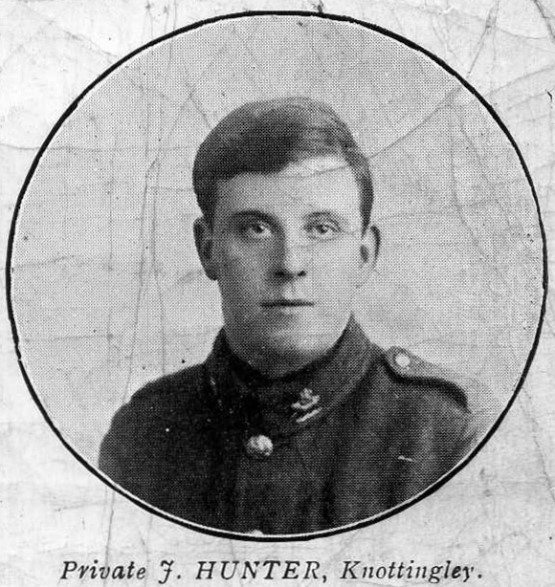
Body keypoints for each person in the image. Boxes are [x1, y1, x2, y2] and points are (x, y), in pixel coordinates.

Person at [99, 96, 484, 535]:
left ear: (363, 255)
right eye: (255, 229)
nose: (290, 264)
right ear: (208, 250)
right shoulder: (143, 435)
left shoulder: (445, 432)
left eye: (322, 229)